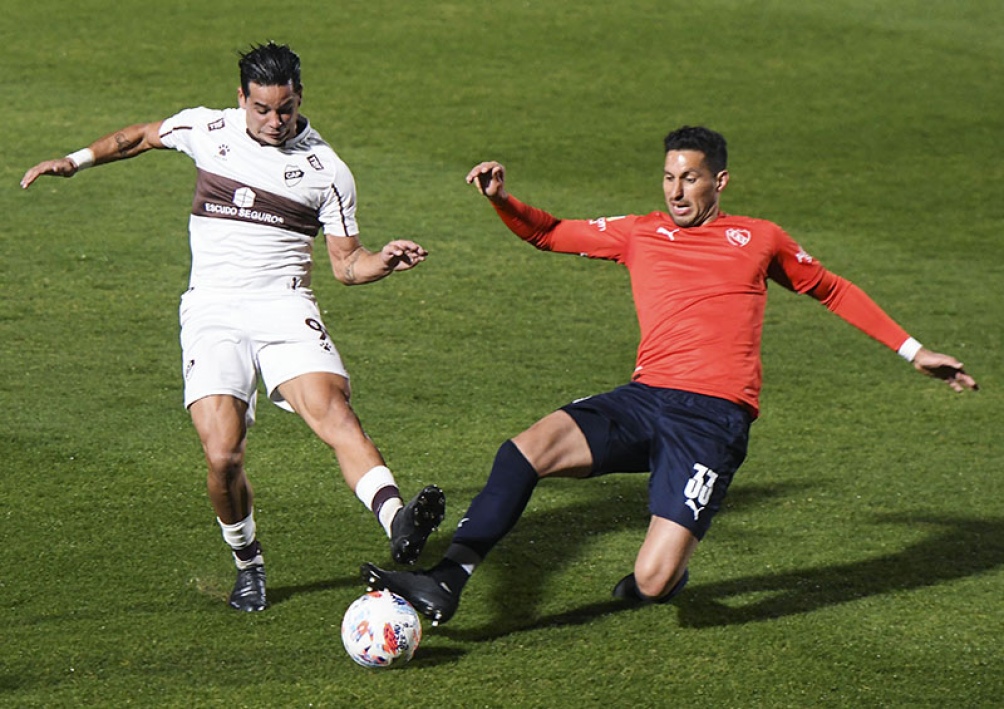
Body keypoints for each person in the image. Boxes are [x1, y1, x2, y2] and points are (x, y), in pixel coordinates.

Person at [361, 125, 978, 626]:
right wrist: (502, 198)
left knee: (653, 584)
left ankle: (663, 575)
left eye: (690, 178)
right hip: (645, 399)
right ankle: (447, 580)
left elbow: (831, 289)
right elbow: (548, 232)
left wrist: (914, 350)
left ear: (720, 181)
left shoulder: (759, 239)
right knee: (526, 449)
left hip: (713, 421)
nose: (676, 191)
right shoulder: (641, 232)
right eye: (668, 177)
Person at [21, 42, 446, 612]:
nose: (276, 122)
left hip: (284, 306)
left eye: (287, 109)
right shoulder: (207, 129)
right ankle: (249, 562)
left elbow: (347, 265)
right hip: (213, 310)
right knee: (223, 454)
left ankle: (399, 524)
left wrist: (384, 261)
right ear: (241, 99)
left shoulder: (327, 170)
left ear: (300, 99)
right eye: (264, 109)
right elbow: (142, 136)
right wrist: (75, 160)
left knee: (335, 414)